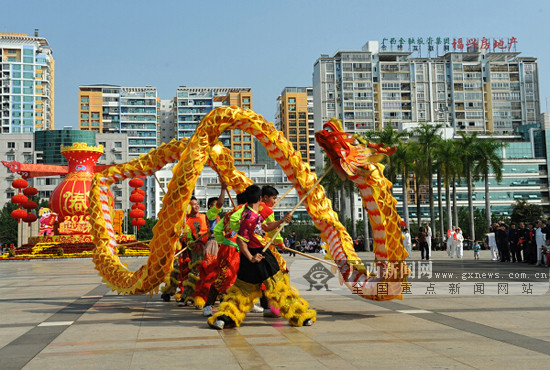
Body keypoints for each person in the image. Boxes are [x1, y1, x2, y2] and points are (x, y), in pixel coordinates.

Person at [208, 185, 316, 329]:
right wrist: (251, 257)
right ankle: (298, 314)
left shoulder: (251, 213)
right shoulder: (249, 217)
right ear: (260, 198)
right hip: (260, 256)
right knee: (279, 287)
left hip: (253, 257)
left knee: (241, 291)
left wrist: (282, 220)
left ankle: (224, 318)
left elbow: (265, 227)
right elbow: (241, 240)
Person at [178, 196, 210, 307]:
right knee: (195, 273)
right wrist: (190, 244)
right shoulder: (187, 222)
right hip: (197, 250)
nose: (196, 206)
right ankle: (185, 296)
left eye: (197, 204)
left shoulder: (205, 217)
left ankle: (212, 297)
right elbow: (187, 239)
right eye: (193, 204)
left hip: (210, 248)